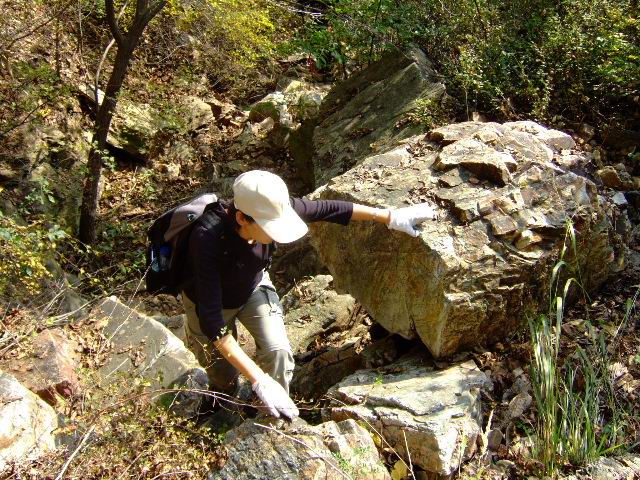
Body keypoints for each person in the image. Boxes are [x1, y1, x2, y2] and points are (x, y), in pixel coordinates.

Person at [178, 170, 435, 420]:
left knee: (278, 354)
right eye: (270, 227)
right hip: (209, 305)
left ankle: (270, 418)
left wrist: (390, 216)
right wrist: (258, 380)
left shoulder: (272, 207)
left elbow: (328, 209)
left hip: (252, 287)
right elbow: (212, 323)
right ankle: (224, 396)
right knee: (222, 373)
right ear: (242, 219)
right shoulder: (206, 239)